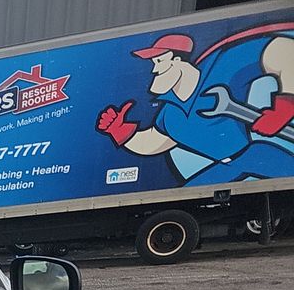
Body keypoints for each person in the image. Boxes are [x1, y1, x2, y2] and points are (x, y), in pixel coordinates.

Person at [95, 24, 294, 184]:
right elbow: (154, 143)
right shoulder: (170, 114)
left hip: (254, 153)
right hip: (222, 169)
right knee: (184, 193)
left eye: (159, 61)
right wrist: (121, 132)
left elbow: (281, 49)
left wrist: (285, 107)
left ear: (178, 59)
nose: (154, 70)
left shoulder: (223, 66)